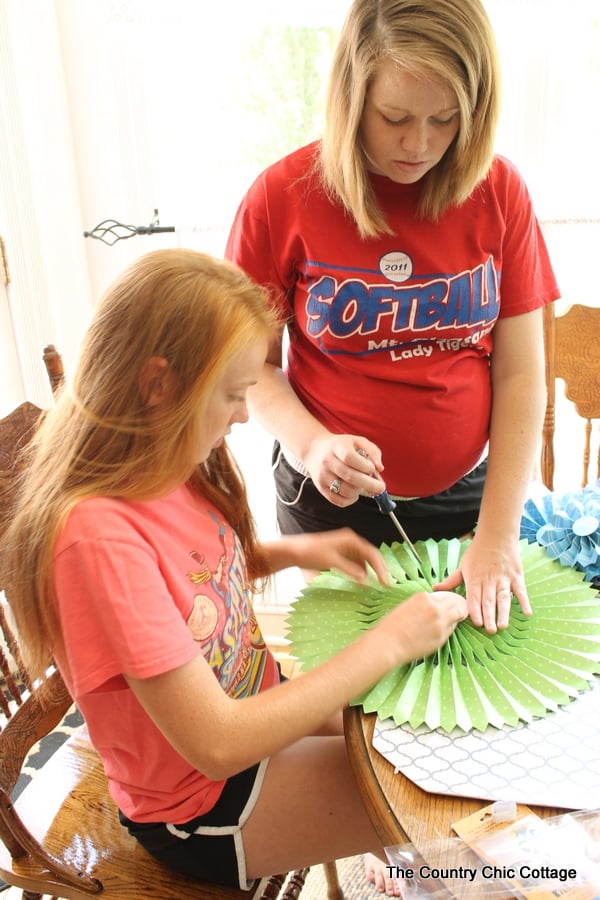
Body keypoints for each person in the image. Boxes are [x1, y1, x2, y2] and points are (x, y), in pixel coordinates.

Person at [2, 249, 466, 896]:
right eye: (233, 394)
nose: (243, 416)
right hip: (205, 806)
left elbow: (193, 578)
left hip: (258, 717)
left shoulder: (162, 469)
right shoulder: (94, 540)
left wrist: (296, 551)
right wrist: (386, 645)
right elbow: (216, 744)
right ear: (159, 384)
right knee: (432, 798)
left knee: (429, 732)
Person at [225, 0, 560, 637]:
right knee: (363, 696)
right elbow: (249, 372)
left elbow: (521, 377)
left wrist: (498, 534)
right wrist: (312, 443)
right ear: (352, 99)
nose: (420, 144)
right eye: (394, 117)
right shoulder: (280, 197)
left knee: (473, 694)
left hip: (472, 499)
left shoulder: (501, 191)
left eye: (446, 119)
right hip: (330, 507)